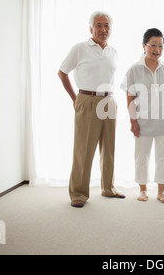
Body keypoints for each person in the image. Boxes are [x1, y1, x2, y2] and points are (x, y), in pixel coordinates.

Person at [58, 11, 125, 208]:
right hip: (88, 100)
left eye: (107, 26)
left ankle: (108, 188)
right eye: (99, 25)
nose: (103, 29)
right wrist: (75, 98)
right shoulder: (80, 48)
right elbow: (62, 72)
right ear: (91, 29)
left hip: (109, 101)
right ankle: (78, 194)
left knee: (109, 148)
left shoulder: (113, 51)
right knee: (84, 149)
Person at [121, 28, 164, 204]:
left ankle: (161, 192)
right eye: (153, 45)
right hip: (143, 121)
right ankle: (143, 190)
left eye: (160, 45)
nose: (157, 49)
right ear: (144, 46)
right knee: (142, 156)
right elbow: (130, 96)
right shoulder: (134, 70)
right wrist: (133, 121)